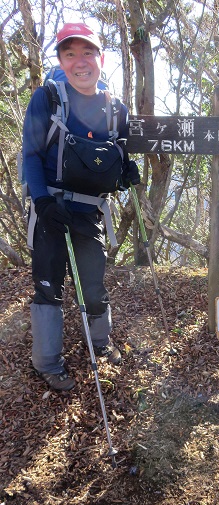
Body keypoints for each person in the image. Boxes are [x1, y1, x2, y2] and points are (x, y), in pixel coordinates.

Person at [22, 22, 138, 391]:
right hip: (50, 209)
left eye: (87, 52)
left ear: (100, 58)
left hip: (90, 211)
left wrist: (125, 170)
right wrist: (41, 201)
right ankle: (47, 363)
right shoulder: (48, 98)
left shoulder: (115, 109)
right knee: (49, 286)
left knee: (93, 283)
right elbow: (31, 154)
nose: (79, 61)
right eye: (69, 54)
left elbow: (109, 159)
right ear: (60, 60)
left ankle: (101, 345)